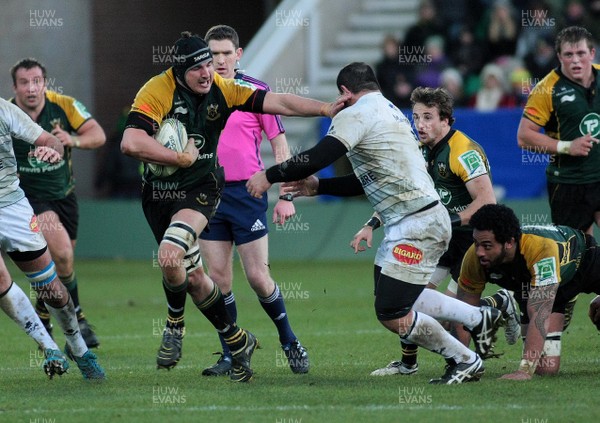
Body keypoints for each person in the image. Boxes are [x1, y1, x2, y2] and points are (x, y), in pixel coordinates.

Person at [247, 62, 505, 384]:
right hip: (410, 220)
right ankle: (480, 317)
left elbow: (318, 156)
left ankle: (464, 359)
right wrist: (319, 186)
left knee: (391, 312)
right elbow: (366, 180)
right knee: (394, 295)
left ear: (345, 92)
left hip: (418, 222)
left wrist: (268, 175)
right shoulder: (391, 112)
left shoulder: (357, 112)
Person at [120, 31, 347, 382]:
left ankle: (175, 326)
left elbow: (281, 104)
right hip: (160, 194)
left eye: (211, 63)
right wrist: (177, 157)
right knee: (198, 278)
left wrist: (324, 108)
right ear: (179, 72)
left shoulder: (226, 89)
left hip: (206, 188)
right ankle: (237, 340)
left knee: (178, 257)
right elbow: (130, 142)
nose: (208, 72)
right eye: (199, 66)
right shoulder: (157, 90)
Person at [352, 87, 518, 377]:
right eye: (416, 117)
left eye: (428, 117)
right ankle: (408, 364)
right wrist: (371, 224)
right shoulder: (416, 151)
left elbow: (486, 201)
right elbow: (402, 196)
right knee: (408, 301)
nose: (420, 125)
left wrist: (447, 220)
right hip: (437, 239)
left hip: (468, 240)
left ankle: (498, 305)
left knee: (456, 326)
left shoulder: (463, 150)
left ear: (446, 121)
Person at [197, 25, 308, 377]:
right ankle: (233, 352)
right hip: (207, 193)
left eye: (226, 53)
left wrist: (285, 194)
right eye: (212, 54)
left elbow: (279, 147)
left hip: (248, 192)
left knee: (258, 277)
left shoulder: (255, 91)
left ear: (238, 54)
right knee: (217, 280)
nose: (219, 60)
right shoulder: (195, 95)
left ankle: (289, 340)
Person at [0, 97, 105, 379]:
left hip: (11, 208)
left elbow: (49, 140)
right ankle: (49, 347)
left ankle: (80, 349)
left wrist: (52, 150)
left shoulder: (5, 110)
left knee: (52, 290)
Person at [516, 26, 600, 331]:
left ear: (592, 53)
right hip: (568, 185)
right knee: (574, 254)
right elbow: (524, 137)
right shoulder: (547, 88)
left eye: (581, 53)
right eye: (568, 54)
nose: (576, 60)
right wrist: (568, 146)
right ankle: (564, 305)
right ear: (559, 56)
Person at [456, 203, 600, 379]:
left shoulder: (540, 248)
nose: (478, 252)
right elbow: (462, 312)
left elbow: (539, 314)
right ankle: (505, 301)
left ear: (509, 242)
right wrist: (460, 361)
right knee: (545, 368)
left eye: (486, 245)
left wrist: (523, 371)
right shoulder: (474, 258)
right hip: (535, 285)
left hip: (584, 261)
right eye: (476, 243)